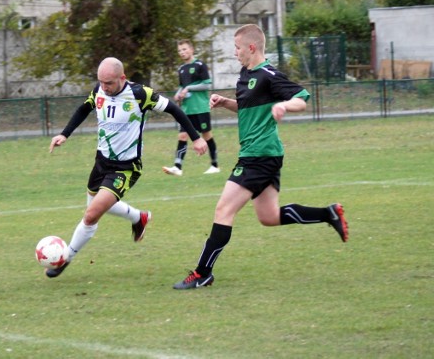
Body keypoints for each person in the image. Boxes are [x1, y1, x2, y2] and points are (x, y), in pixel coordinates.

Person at [173, 24, 348, 290]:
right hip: (262, 154)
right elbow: (247, 108)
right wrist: (226, 103)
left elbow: (302, 98)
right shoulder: (246, 74)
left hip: (259, 155)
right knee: (269, 216)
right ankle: (329, 213)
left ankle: (202, 273)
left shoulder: (269, 75)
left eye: (238, 48)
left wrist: (284, 105)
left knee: (224, 209)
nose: (235, 53)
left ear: (251, 48)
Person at [46, 57, 208, 278]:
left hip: (125, 167)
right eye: (101, 82)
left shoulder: (140, 94)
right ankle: (138, 218)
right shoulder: (100, 90)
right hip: (101, 162)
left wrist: (196, 138)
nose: (104, 87)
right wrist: (64, 134)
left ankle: (65, 258)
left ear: (122, 78)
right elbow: (84, 108)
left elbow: (174, 109)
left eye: (109, 83)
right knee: (98, 206)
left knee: (91, 215)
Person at [162, 39, 220, 177]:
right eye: (180, 51)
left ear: (192, 50)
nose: (182, 52)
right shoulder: (181, 69)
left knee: (206, 135)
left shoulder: (200, 65)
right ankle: (177, 167)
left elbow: (207, 85)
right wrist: (178, 95)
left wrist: (189, 88)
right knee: (182, 135)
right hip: (187, 110)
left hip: (201, 108)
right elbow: (182, 86)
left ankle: (215, 165)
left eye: (185, 49)